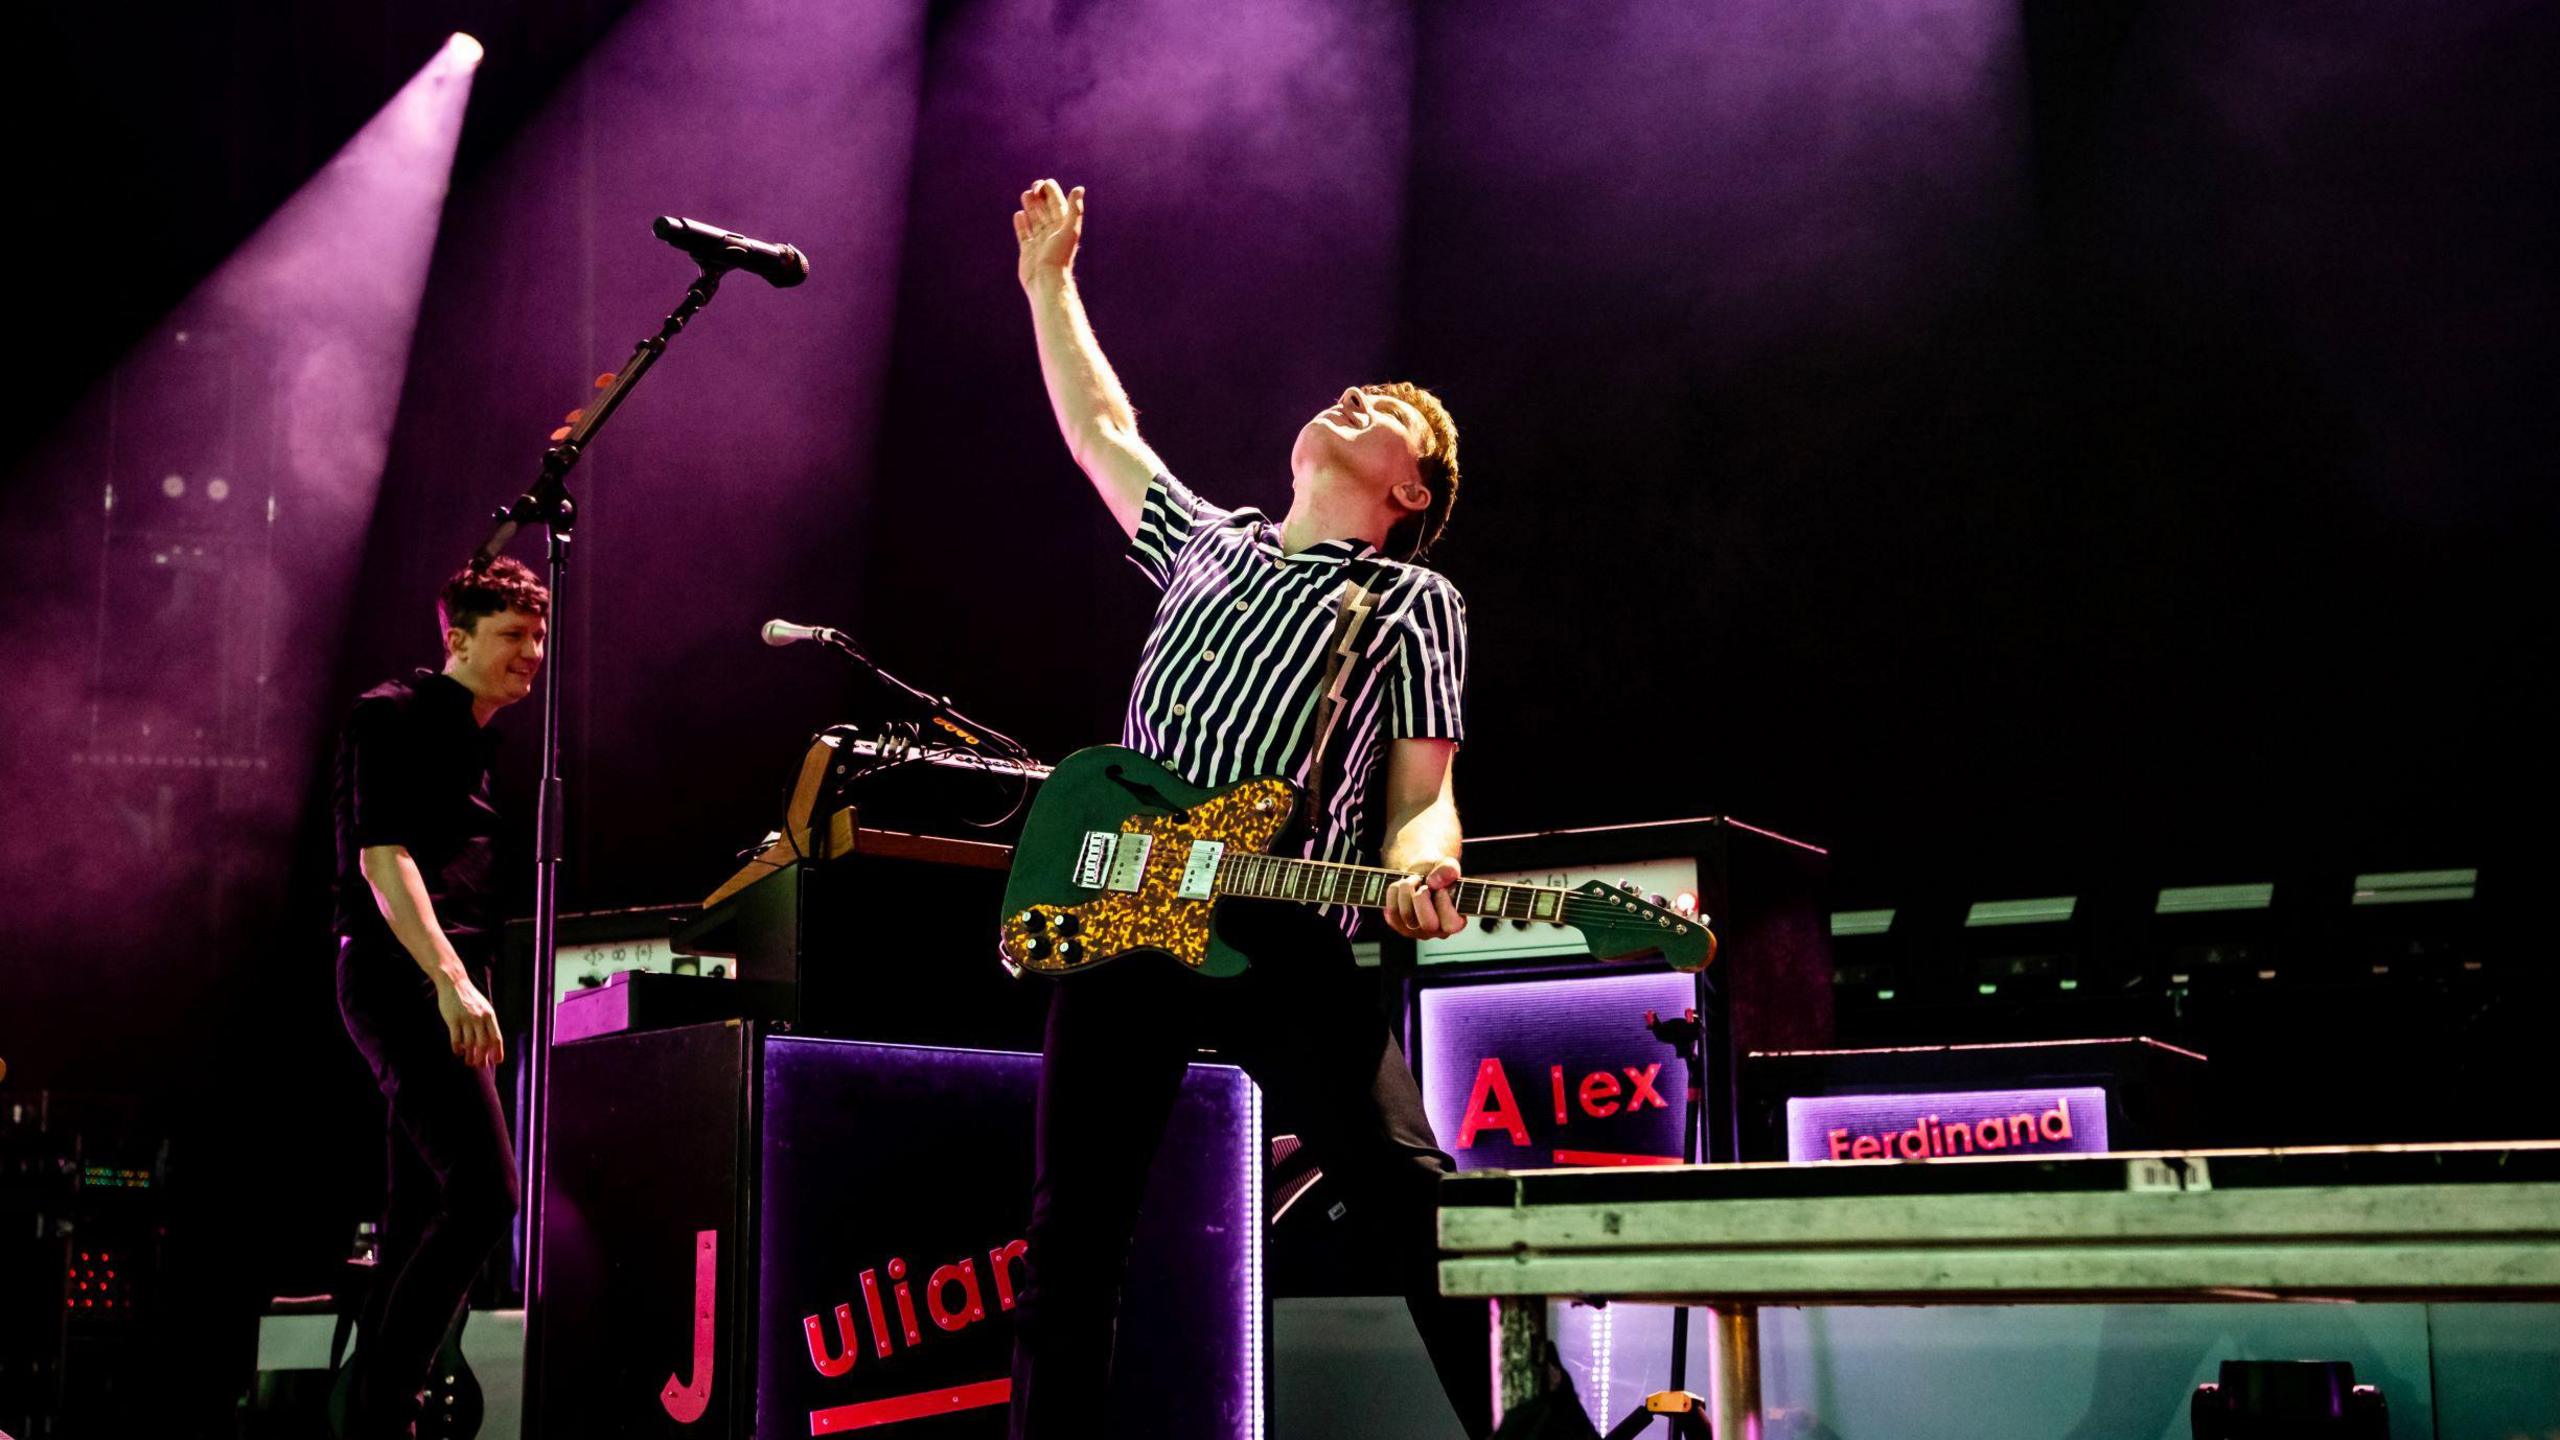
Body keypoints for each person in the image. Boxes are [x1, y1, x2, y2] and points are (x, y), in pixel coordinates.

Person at [1007, 177, 1490, 1439]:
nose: (1359, 398)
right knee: (1073, 1233)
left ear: (1409, 497)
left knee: (1408, 1193)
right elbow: (1100, 428)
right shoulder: (1205, 540)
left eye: (1390, 415)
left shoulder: (1407, 602)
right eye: (1359, 391)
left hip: (1281, 917)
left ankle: (1535, 1426)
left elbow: (1422, 798)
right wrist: (1049, 284)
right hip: (1126, 902)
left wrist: (1421, 865)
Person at [329, 557, 546, 1438]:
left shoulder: (480, 740)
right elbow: (385, 860)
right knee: (488, 1196)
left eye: (537, 635)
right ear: (457, 639)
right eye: (511, 637)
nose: (532, 653)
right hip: (405, 977)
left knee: (418, 1211)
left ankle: (368, 1418)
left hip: (453, 978)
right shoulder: (393, 716)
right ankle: (390, 1406)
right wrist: (451, 980)